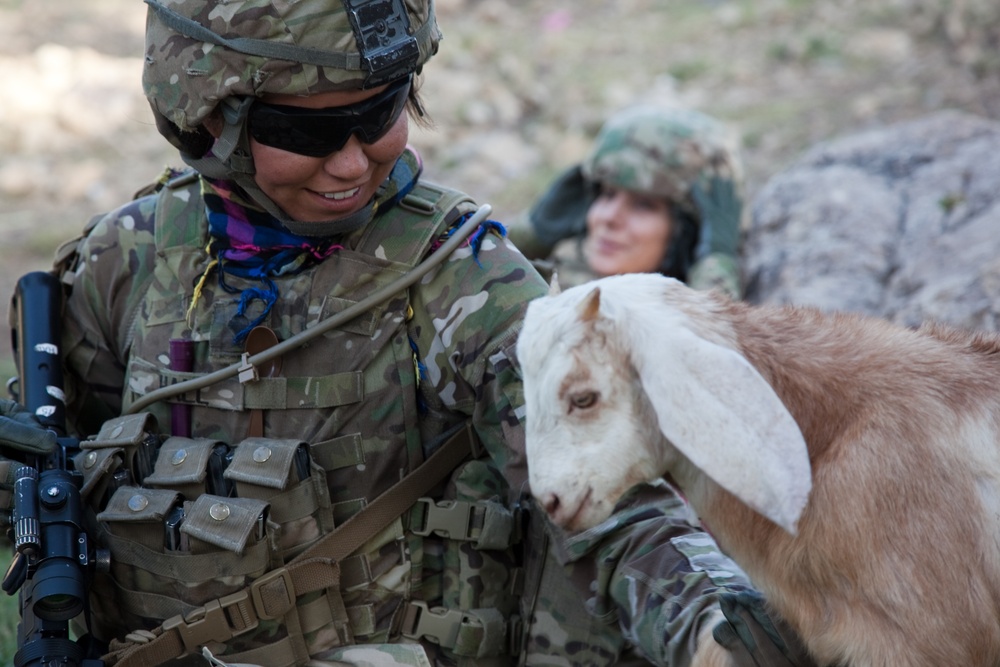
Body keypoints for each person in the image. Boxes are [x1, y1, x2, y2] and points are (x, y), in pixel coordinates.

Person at [0, 2, 815, 666]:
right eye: (311, 134)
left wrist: (712, 630)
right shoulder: (129, 258)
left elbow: (611, 501)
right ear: (210, 120)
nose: (355, 162)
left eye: (378, 115)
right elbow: (61, 467)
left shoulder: (465, 280)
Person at [508, 104, 744, 298]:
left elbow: (705, 344)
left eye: (644, 205)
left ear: (689, 231)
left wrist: (716, 262)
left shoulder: (665, 322)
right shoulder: (551, 287)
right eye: (607, 194)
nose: (609, 217)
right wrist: (528, 238)